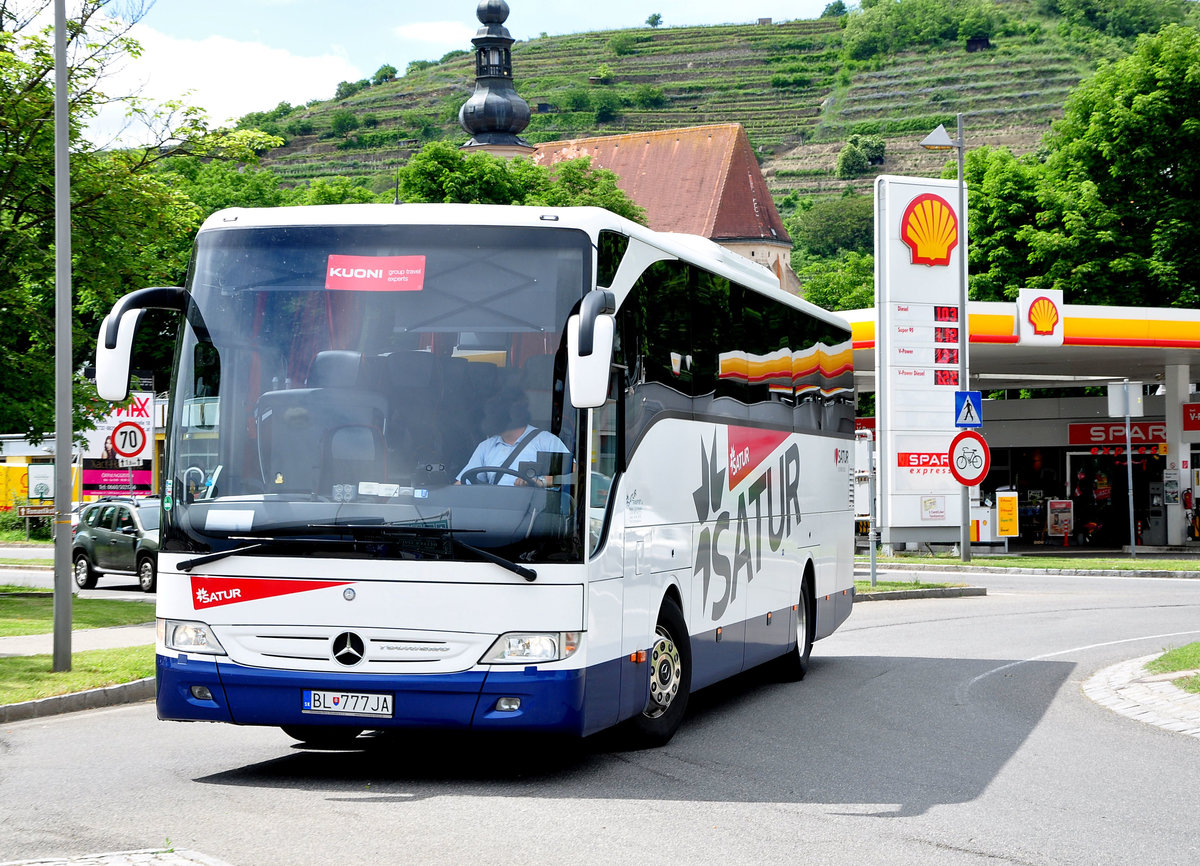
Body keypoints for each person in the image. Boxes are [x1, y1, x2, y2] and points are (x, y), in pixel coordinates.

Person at [456, 388, 571, 487]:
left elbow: (574, 475)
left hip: (536, 509)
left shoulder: (546, 441)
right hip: (495, 508)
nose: (488, 420)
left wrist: (542, 481)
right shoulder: (486, 446)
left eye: (493, 414)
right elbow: (463, 482)